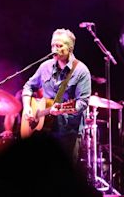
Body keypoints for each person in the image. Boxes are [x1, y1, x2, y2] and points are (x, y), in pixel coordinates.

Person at [21, 28, 91, 163]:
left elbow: (82, 102)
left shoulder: (81, 71)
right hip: (44, 132)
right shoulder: (45, 67)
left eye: (59, 46)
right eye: (53, 45)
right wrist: (27, 108)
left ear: (70, 48)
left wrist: (62, 110)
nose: (55, 49)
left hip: (68, 132)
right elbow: (28, 87)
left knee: (64, 178)